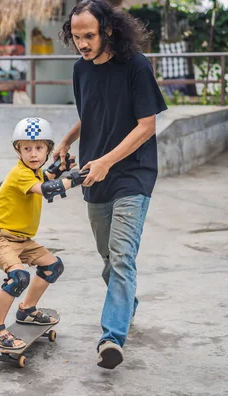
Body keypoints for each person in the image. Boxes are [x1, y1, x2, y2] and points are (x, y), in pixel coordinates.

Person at [57, 0, 168, 369]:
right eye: (76, 37)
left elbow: (146, 125)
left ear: (107, 29)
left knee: (122, 256)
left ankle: (112, 338)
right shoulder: (80, 69)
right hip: (94, 174)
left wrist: (108, 161)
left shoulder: (135, 65)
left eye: (89, 35)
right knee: (108, 257)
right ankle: (127, 302)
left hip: (132, 173)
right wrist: (67, 141)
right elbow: (91, 114)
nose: (83, 44)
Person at [0, 117, 85, 349]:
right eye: (27, 149)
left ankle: (27, 310)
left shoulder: (34, 171)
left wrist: (58, 169)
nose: (33, 154)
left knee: (53, 266)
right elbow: (46, 188)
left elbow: (45, 178)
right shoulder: (20, 173)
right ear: (18, 151)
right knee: (18, 278)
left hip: (22, 239)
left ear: (48, 150)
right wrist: (75, 178)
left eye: (39, 148)